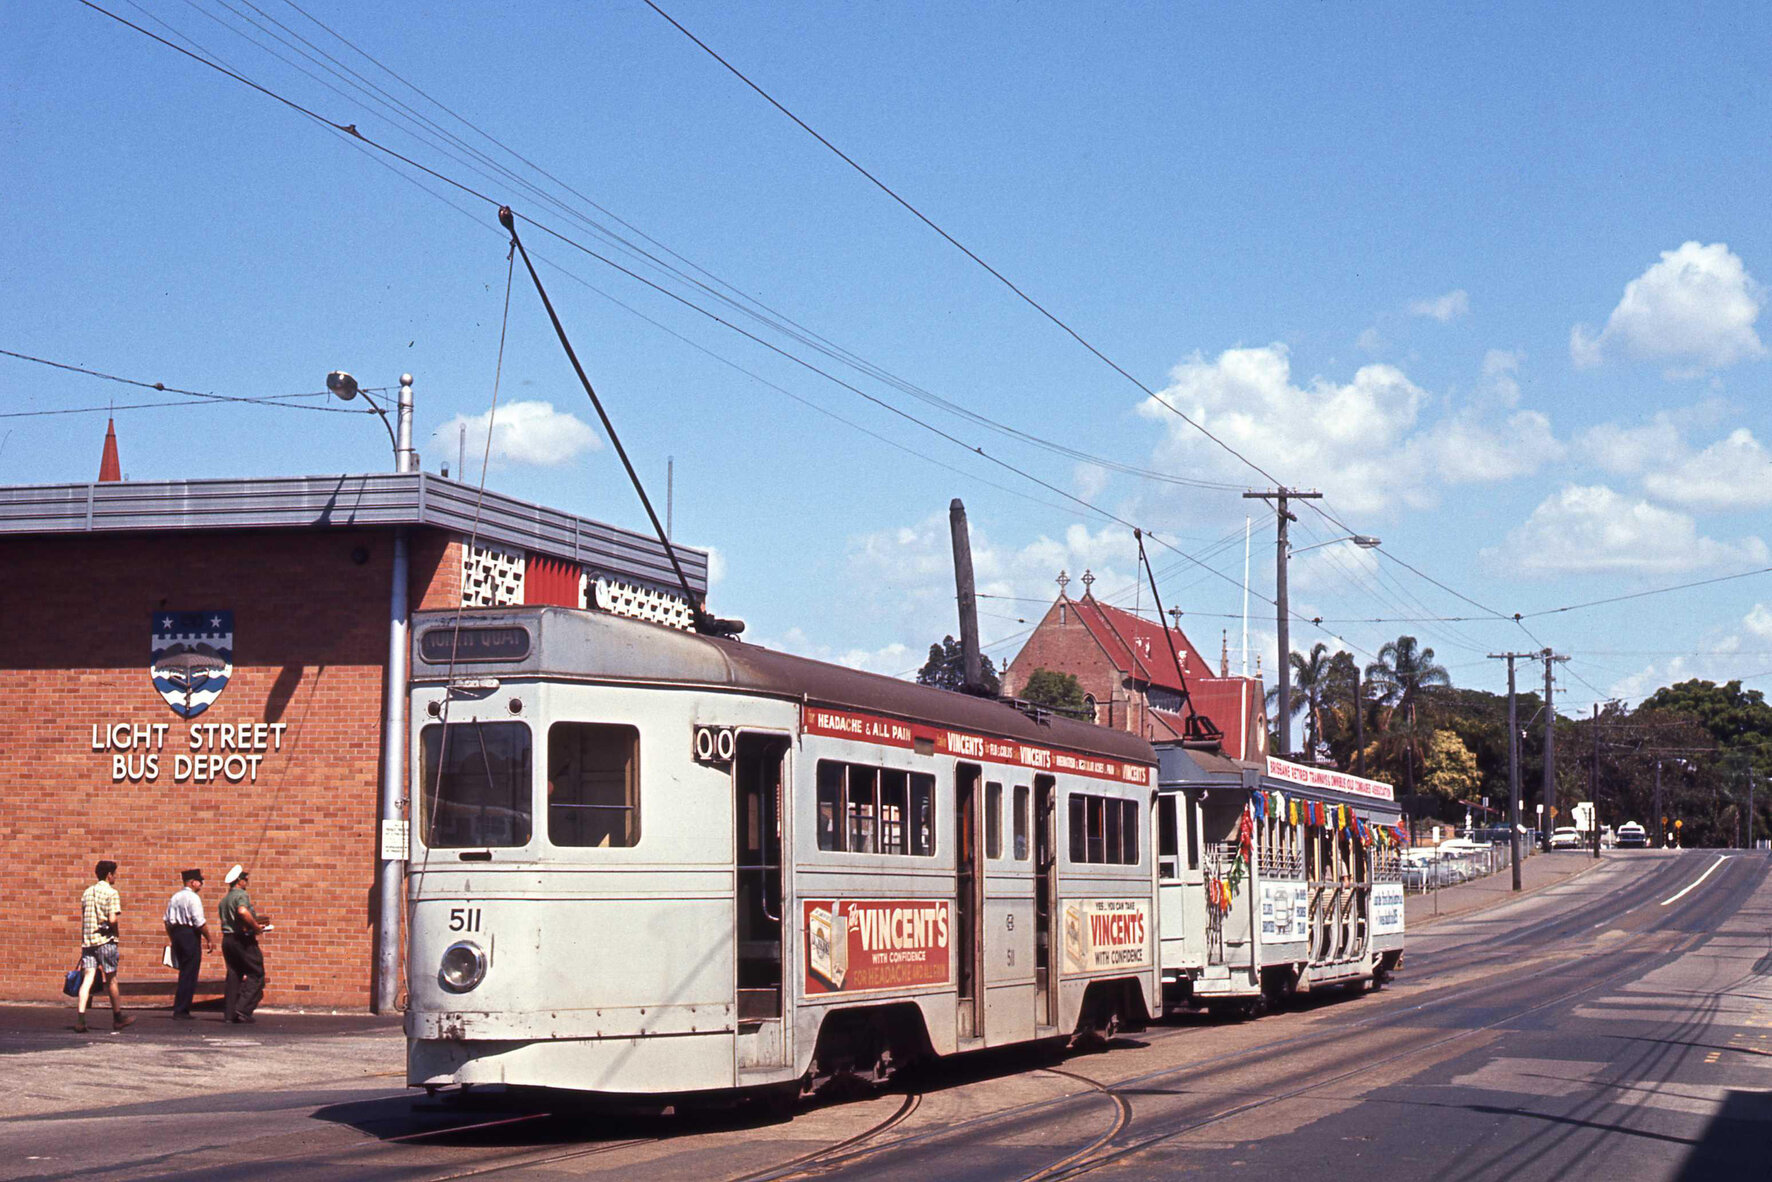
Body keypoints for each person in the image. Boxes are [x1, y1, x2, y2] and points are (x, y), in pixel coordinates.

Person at [75, 860, 133, 1033]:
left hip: (88, 941)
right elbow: (113, 919)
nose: (116, 876)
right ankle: (117, 1017)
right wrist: (116, 933)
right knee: (111, 979)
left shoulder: (86, 892)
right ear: (109, 875)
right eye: (115, 873)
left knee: (87, 979)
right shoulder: (111, 892)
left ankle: (81, 1018)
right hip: (105, 941)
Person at [218, 864, 270, 1023]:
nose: (247, 882)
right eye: (245, 879)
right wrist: (255, 927)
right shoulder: (241, 895)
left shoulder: (225, 899)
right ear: (239, 881)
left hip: (228, 939)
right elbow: (242, 911)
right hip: (242, 940)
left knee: (234, 975)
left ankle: (229, 1014)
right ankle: (243, 1009)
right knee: (257, 973)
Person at [162, 868, 214, 1020]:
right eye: (200, 881)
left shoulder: (175, 897)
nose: (201, 884)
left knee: (184, 971)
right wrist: (209, 938)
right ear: (192, 882)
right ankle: (182, 1009)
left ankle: (181, 1005)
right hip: (190, 935)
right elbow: (199, 921)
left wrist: (173, 937)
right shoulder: (193, 898)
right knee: (190, 972)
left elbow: (167, 920)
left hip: (177, 933)